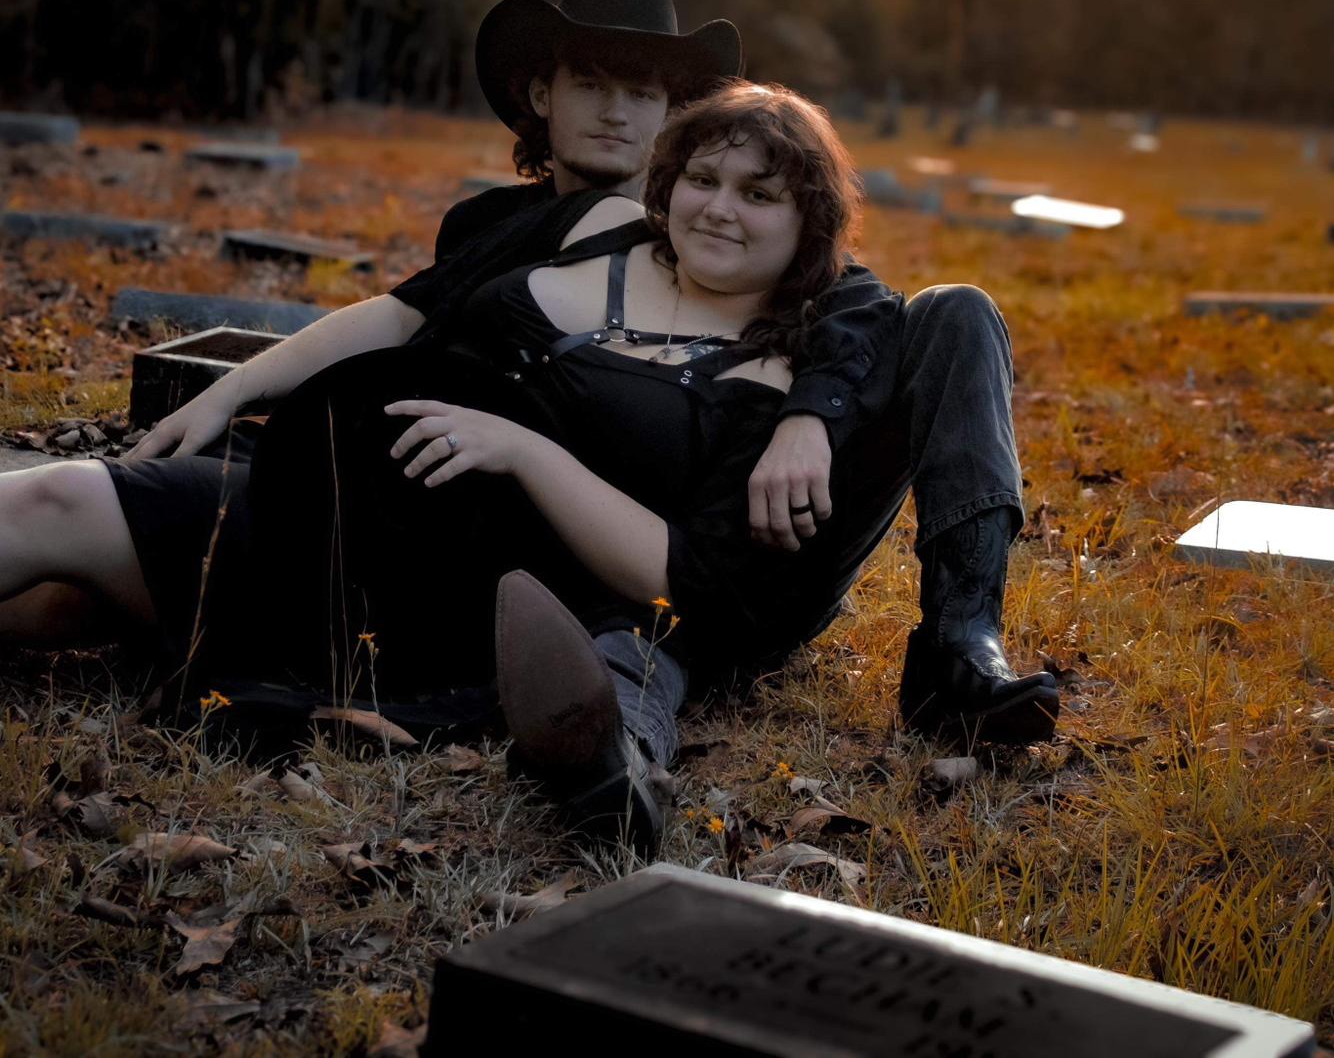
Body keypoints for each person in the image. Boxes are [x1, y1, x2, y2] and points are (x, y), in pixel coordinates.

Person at [1, 81, 884, 856]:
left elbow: (676, 577)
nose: (720, 207)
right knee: (56, 554)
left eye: (759, 193)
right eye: (704, 179)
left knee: (65, 543)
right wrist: (232, 390)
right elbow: (400, 313)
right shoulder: (593, 230)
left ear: (809, 222)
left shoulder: (787, 375)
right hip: (324, 492)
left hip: (439, 600)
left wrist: (524, 451)